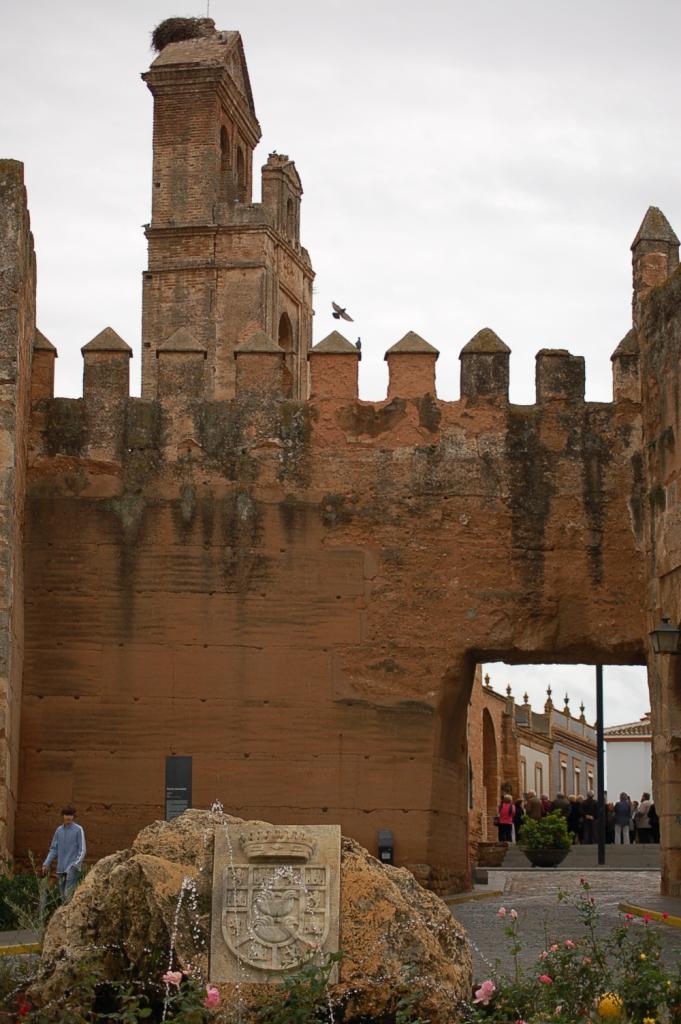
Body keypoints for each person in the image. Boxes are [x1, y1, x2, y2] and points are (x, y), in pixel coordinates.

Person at [42, 805, 86, 903]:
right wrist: (46, 863)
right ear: (63, 816)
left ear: (73, 816)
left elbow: (82, 849)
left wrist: (75, 865)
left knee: (68, 895)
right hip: (60, 869)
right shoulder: (59, 831)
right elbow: (54, 849)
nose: (68, 817)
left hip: (72, 868)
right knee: (62, 897)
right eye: (66, 814)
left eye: (70, 815)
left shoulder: (78, 829)